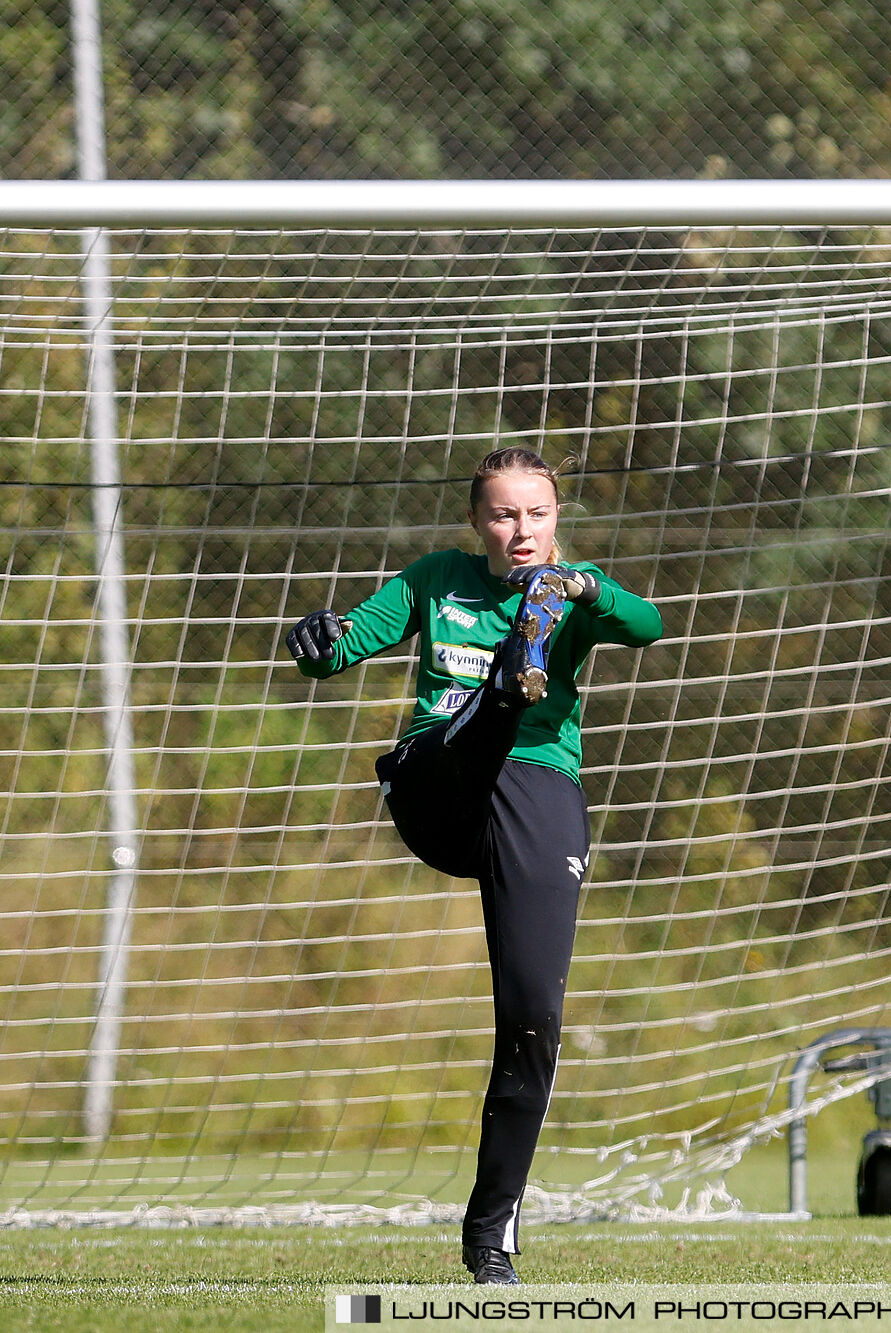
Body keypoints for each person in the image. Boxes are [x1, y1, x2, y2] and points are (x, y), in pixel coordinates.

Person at [286, 447, 663, 1285]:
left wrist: (587, 590)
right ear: (476, 522)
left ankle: (490, 1239)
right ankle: (505, 683)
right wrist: (313, 638)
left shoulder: (576, 586)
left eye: (536, 513)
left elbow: (649, 624)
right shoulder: (438, 577)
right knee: (479, 714)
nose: (520, 528)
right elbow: (341, 645)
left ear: (556, 519)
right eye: (502, 513)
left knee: (534, 1019)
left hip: (536, 788)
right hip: (439, 784)